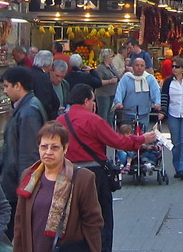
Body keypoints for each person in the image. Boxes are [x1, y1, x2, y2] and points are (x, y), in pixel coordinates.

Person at [58, 84, 155, 252]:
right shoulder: (93, 120)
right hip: (94, 174)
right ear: (86, 101)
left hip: (67, 174)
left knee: (71, 218)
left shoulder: (59, 121)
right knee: (101, 219)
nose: (94, 104)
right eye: (93, 100)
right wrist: (142, 139)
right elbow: (118, 142)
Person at [15, 122, 103, 252]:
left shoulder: (82, 179)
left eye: (55, 147)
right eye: (44, 147)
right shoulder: (29, 177)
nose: (48, 152)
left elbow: (93, 223)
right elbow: (20, 222)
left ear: (65, 148)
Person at [0, 66, 47, 223]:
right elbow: (11, 148)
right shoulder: (24, 108)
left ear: (18, 86)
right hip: (15, 182)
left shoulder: (29, 112)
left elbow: (29, 155)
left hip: (19, 187)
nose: (5, 91)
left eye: (7, 86)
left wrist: (25, 188)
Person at [158, 57, 183, 179]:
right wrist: (162, 112)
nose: (174, 69)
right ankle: (177, 166)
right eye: (173, 67)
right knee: (176, 142)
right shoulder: (168, 82)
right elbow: (164, 98)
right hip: (173, 113)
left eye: (176, 67)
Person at [113, 56, 161, 125]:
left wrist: (157, 103)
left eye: (142, 66)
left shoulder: (149, 78)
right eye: (137, 65)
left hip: (144, 114)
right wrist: (118, 102)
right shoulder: (126, 78)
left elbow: (156, 91)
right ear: (133, 66)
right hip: (127, 113)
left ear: (145, 67)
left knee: (143, 134)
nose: (139, 68)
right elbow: (120, 91)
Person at [30, 50, 61, 120]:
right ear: (49, 64)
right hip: (41, 118)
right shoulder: (43, 78)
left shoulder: (29, 73)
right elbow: (45, 101)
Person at [95, 48, 122, 122]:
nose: (112, 58)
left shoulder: (111, 66)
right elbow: (98, 82)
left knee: (111, 115)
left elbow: (117, 75)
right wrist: (110, 81)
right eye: (111, 56)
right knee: (104, 115)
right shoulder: (100, 68)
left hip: (112, 93)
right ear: (106, 57)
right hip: (103, 94)